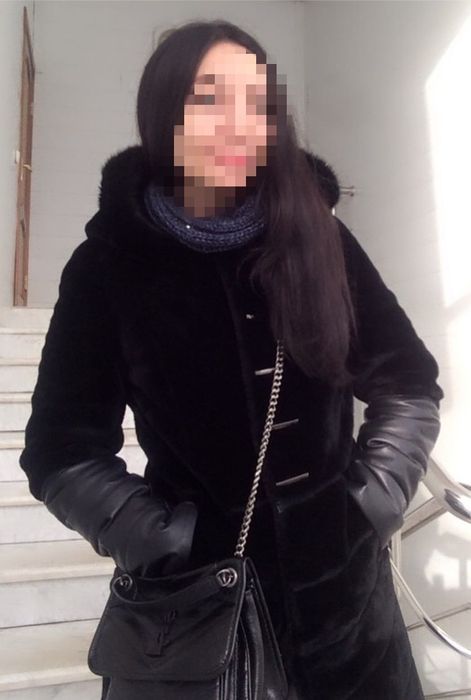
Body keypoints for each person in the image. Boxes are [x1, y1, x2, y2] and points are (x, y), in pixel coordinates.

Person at [19, 19, 443, 700]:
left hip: (350, 620)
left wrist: (372, 502)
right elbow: (61, 452)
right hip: (199, 621)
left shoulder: (318, 238)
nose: (237, 123)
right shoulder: (109, 266)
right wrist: (163, 539)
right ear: (165, 112)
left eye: (257, 103)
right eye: (210, 97)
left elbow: (408, 382)